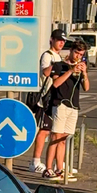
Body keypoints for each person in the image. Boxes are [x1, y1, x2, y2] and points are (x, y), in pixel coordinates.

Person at [43, 40, 90, 182]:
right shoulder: (59, 65)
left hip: (73, 106)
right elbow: (56, 83)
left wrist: (84, 73)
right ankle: (48, 168)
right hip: (60, 104)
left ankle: (59, 169)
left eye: (81, 54)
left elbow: (86, 87)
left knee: (64, 139)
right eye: (76, 53)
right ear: (71, 51)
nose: (78, 56)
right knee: (55, 137)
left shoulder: (81, 67)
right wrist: (70, 70)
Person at [29, 29, 66, 173]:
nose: (61, 43)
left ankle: (58, 164)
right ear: (52, 40)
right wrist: (57, 66)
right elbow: (45, 72)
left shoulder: (58, 56)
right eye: (59, 40)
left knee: (55, 131)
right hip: (45, 98)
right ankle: (35, 161)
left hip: (56, 97)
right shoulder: (48, 55)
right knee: (44, 130)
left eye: (63, 41)